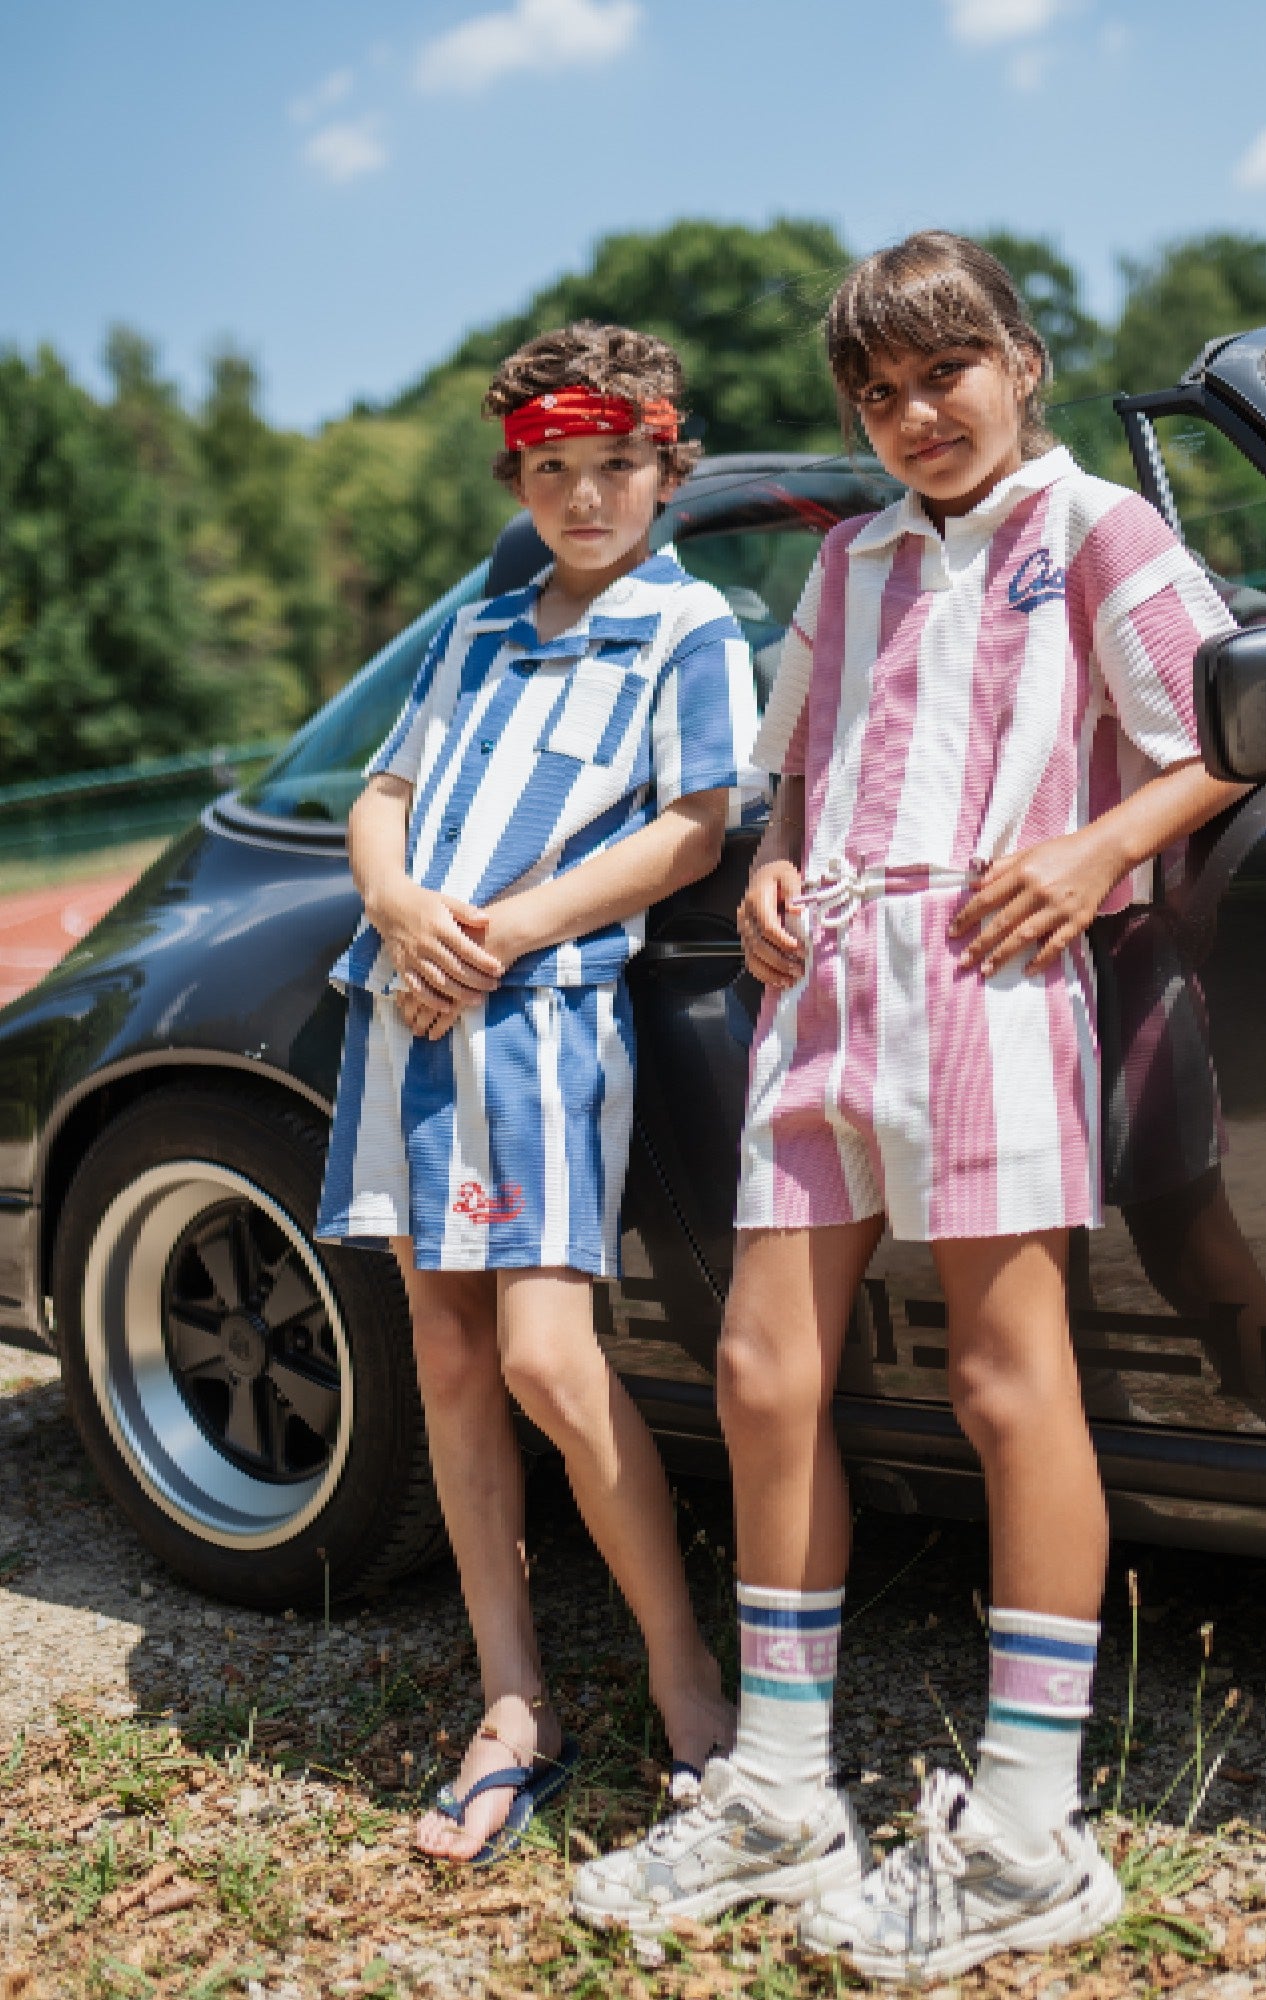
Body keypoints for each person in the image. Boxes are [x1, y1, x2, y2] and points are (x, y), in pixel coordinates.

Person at [572, 233, 1249, 1981]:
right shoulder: (851, 564)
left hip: (990, 971)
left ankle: (1032, 1828)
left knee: (1005, 1377)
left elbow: (1224, 729)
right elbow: (793, 778)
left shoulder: (1094, 529)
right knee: (759, 1368)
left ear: (1020, 357)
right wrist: (777, 872)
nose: (913, 416)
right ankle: (784, 1787)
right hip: (826, 992)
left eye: (942, 373)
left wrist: (1095, 850)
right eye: (876, 396)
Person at [316, 322, 748, 1865]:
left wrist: (492, 935)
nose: (584, 496)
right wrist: (396, 907)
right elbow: (385, 795)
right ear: (520, 473)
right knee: (444, 1354)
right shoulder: (475, 630)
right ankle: (515, 1703)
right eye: (553, 469)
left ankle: (688, 1675)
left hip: (539, 1021)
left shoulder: (691, 632)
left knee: (552, 1361)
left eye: (615, 465)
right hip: (407, 1012)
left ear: (663, 465)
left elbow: (693, 831)